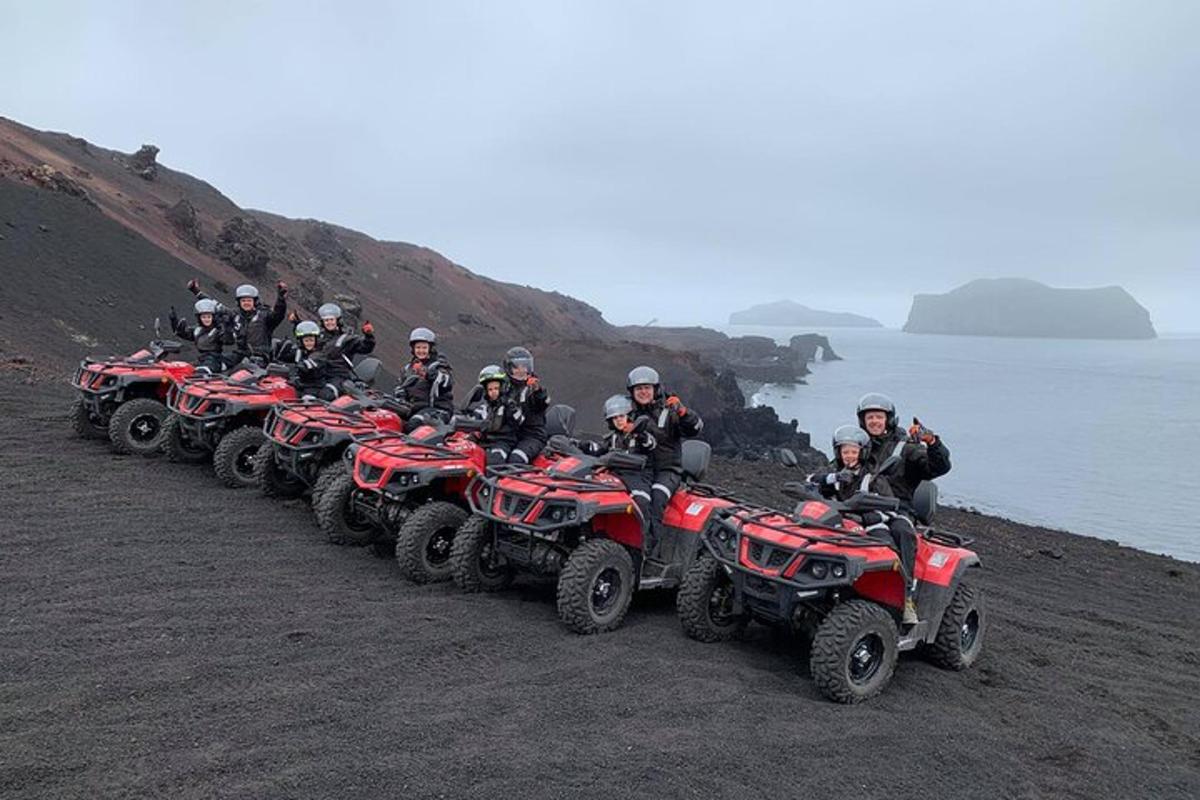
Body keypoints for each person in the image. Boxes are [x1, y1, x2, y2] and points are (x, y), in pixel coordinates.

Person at [626, 365, 703, 555]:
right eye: (638, 388)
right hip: (640, 469)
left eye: (647, 387)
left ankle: (649, 550)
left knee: (657, 497)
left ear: (656, 389)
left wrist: (683, 412)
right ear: (632, 392)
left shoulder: (669, 412)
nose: (643, 392)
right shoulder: (629, 415)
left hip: (667, 470)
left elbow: (695, 429)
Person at [581, 394, 659, 538]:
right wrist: (581, 445)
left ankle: (646, 540)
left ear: (629, 416)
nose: (618, 421)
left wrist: (639, 434)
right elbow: (599, 450)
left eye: (621, 416)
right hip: (616, 475)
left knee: (641, 500)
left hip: (638, 476)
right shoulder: (613, 438)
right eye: (615, 418)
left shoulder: (641, 435)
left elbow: (650, 444)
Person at [856, 393, 951, 505]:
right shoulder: (857, 448)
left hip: (897, 510)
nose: (874, 421)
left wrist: (932, 442)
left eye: (879, 417)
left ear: (889, 420)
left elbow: (939, 467)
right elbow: (837, 469)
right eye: (870, 417)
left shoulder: (906, 447)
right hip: (862, 507)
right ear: (863, 421)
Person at [189, 280, 288, 365]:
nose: (246, 303)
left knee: (243, 374)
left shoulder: (265, 316)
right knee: (215, 361)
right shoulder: (235, 314)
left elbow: (278, 314)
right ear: (239, 302)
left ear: (255, 301)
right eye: (243, 300)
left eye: (249, 300)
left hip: (260, 358)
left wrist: (281, 298)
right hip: (240, 354)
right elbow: (215, 305)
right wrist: (197, 292)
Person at [392, 327, 454, 427]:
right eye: (418, 347)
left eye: (424, 347)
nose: (421, 350)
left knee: (414, 424)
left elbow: (446, 382)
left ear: (430, 348)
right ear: (413, 349)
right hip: (413, 408)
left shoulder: (439, 365)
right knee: (390, 419)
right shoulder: (408, 368)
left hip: (437, 409)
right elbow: (399, 386)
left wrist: (427, 374)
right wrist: (400, 394)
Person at [499, 346, 549, 464]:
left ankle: (510, 481)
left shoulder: (533, 388)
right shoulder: (504, 388)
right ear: (509, 369)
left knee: (516, 459)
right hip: (511, 435)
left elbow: (542, 402)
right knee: (495, 457)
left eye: (524, 366)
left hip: (533, 436)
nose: (521, 370)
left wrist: (537, 391)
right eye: (516, 367)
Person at [314, 302, 376, 390]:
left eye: (331, 320)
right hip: (318, 376)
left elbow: (365, 347)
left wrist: (368, 336)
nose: (329, 323)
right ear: (322, 322)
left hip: (338, 377)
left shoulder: (347, 339)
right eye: (326, 320)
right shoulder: (318, 338)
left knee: (327, 393)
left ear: (337, 321)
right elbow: (305, 346)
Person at [467, 365, 521, 465]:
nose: (493, 392)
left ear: (502, 388)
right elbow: (475, 426)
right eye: (490, 389)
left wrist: (511, 409)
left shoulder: (509, 405)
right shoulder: (483, 408)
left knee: (495, 460)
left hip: (503, 443)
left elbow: (519, 421)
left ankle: (495, 480)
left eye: (496, 388)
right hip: (485, 442)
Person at [170, 298, 233, 373]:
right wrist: (174, 321)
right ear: (199, 318)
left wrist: (227, 327)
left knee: (200, 373)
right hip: (201, 359)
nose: (206, 319)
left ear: (213, 317)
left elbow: (228, 340)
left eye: (209, 317)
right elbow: (184, 333)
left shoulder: (218, 330)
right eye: (203, 317)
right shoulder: (198, 330)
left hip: (214, 361)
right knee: (183, 370)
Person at [283, 320, 333, 399]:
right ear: (301, 341)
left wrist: (301, 367)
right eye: (306, 340)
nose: (309, 343)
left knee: (307, 399)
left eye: (311, 340)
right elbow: (284, 360)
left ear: (316, 340)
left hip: (315, 387)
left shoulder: (320, 354)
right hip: (300, 385)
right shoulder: (298, 352)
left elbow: (309, 367)